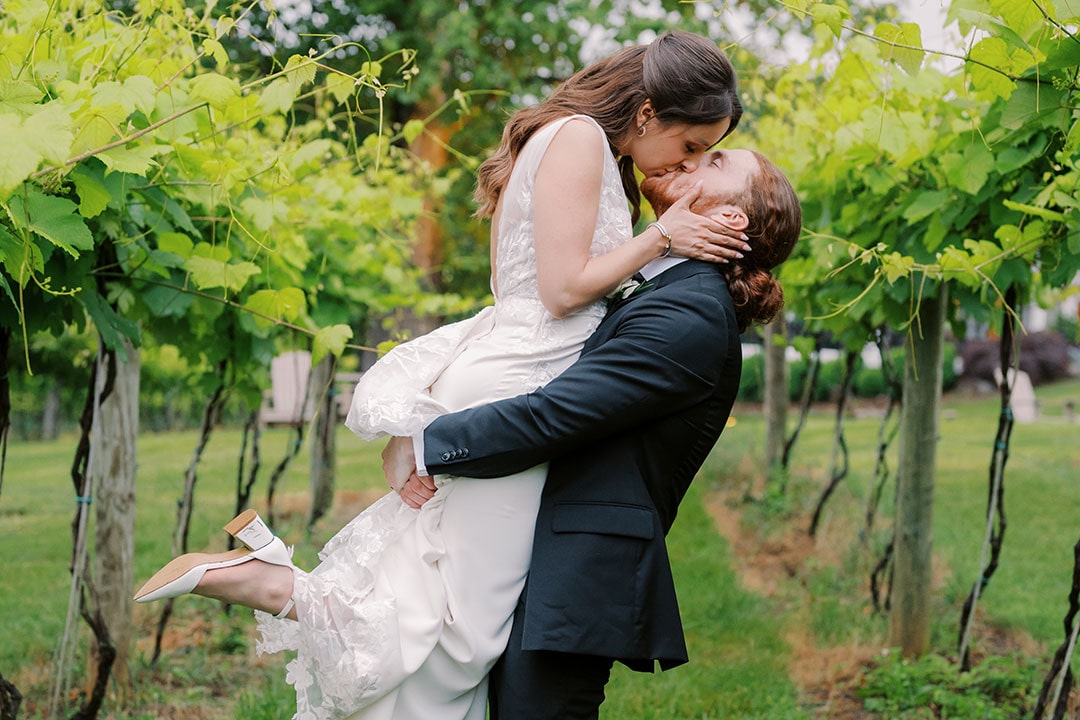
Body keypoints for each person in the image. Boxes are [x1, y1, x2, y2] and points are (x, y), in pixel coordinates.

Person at [132, 30, 749, 720]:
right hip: (526, 374)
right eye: (692, 144)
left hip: (509, 363)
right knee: (467, 631)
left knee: (438, 575)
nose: (689, 163)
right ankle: (274, 586)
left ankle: (285, 584)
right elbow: (562, 289)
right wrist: (661, 238)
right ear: (646, 114)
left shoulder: (570, 141)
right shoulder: (578, 139)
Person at [382, 145, 803, 719]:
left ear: (730, 219)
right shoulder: (650, 282)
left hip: (579, 571)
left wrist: (424, 443)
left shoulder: (691, 314)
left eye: (714, 161)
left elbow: (554, 414)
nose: (690, 158)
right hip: (533, 539)